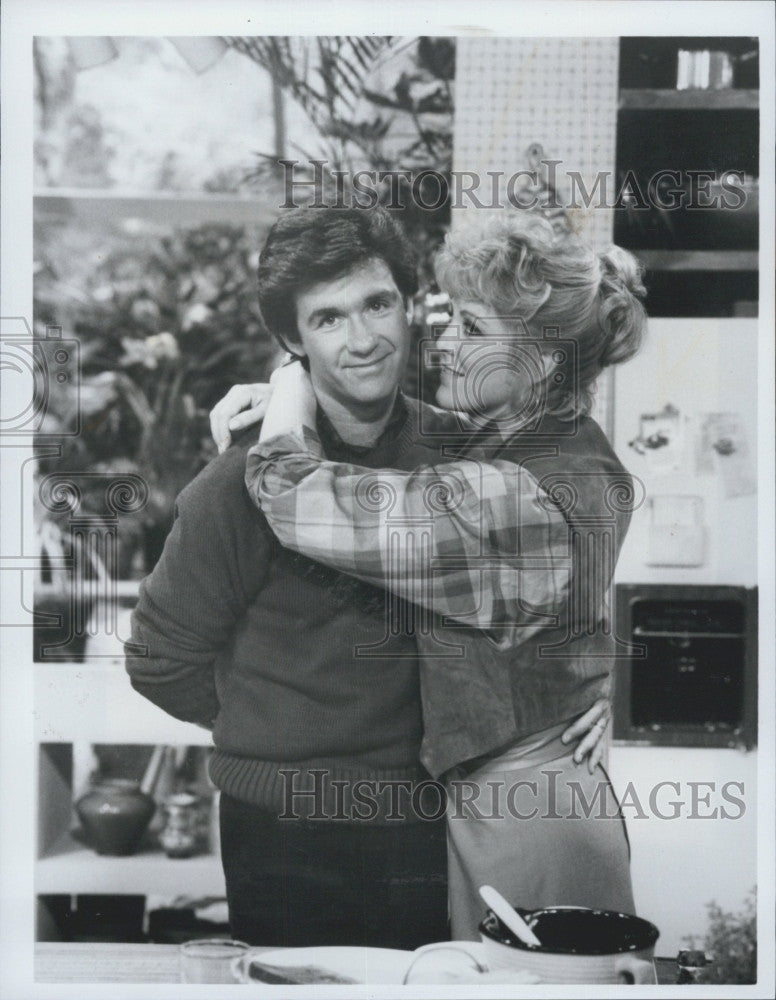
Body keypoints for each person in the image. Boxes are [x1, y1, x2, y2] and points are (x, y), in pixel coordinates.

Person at [126, 206, 605, 949]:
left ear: (409, 307)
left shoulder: (458, 448)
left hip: (425, 825)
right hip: (283, 830)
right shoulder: (237, 480)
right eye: (327, 318)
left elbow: (568, 544)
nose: (363, 339)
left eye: (379, 304)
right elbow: (158, 659)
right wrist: (271, 727)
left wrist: (597, 681)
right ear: (292, 341)